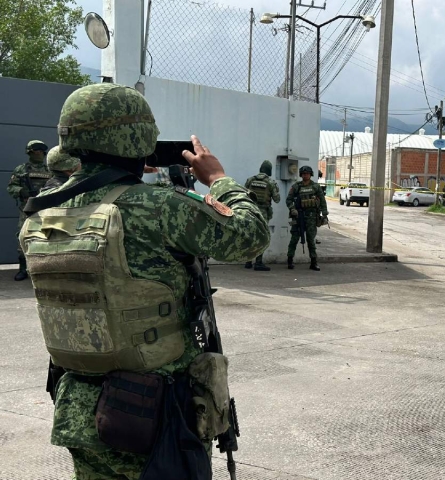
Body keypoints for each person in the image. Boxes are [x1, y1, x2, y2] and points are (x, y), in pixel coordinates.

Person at [18, 83, 270, 479]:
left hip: (77, 407)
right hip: (156, 412)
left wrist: (126, 174)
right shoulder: (160, 208)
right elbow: (250, 236)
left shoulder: (40, 214)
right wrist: (219, 178)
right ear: (140, 139)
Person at [6, 140, 51, 281]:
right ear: (29, 152)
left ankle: (46, 268)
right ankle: (23, 269)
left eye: (41, 152)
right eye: (35, 151)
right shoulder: (21, 170)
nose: (39, 154)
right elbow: (11, 187)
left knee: (48, 237)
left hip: (46, 209)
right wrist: (22, 191)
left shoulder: (50, 170)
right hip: (27, 209)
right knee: (23, 237)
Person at [286, 165, 328, 271]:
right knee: (294, 239)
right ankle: (290, 260)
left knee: (311, 240)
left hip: (311, 217)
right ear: (301, 175)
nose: (306, 175)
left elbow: (322, 200)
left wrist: (324, 213)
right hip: (298, 216)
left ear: (311, 174)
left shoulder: (315, 187)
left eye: (307, 174)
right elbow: (289, 200)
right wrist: (292, 209)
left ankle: (314, 262)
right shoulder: (296, 186)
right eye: (304, 174)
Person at [244, 160, 281, 271]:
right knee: (262, 236)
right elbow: (277, 199)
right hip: (263, 213)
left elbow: (244, 193)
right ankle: (258, 263)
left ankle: (248, 261)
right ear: (269, 171)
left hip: (251, 211)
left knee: (250, 236)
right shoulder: (270, 182)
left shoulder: (250, 180)